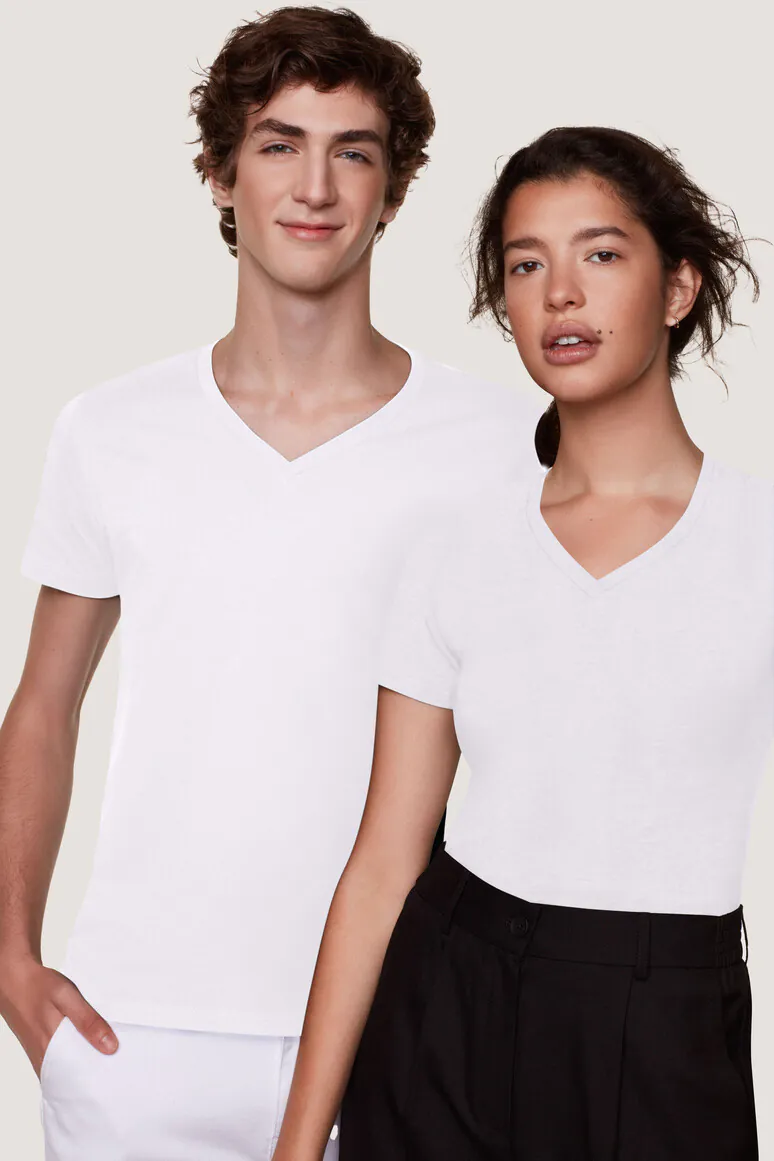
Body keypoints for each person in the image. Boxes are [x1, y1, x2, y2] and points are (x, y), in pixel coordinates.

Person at [0, 9, 538, 1159]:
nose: (316, 187)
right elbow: (43, 706)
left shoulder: (500, 447)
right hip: (134, 1037)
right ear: (220, 174)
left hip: (399, 1025)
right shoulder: (111, 431)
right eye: (280, 144)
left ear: (394, 190)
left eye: (354, 152)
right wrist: (9, 964)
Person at [271, 126, 767, 1161]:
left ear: (678, 288)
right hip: (445, 1007)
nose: (561, 296)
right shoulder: (457, 544)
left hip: (664, 1021)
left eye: (601, 254)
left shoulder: (754, 541)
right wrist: (296, 1145)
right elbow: (383, 864)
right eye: (526, 265)